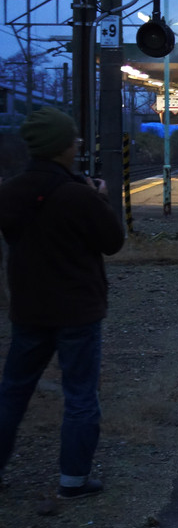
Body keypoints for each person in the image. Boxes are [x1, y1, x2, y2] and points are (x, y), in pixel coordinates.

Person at [0, 107, 126, 498]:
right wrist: (101, 200)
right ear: (60, 147)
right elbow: (112, 242)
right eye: (73, 139)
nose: (78, 144)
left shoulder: (10, 191)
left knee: (12, 391)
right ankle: (73, 479)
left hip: (29, 308)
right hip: (77, 311)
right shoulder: (78, 195)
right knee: (80, 394)